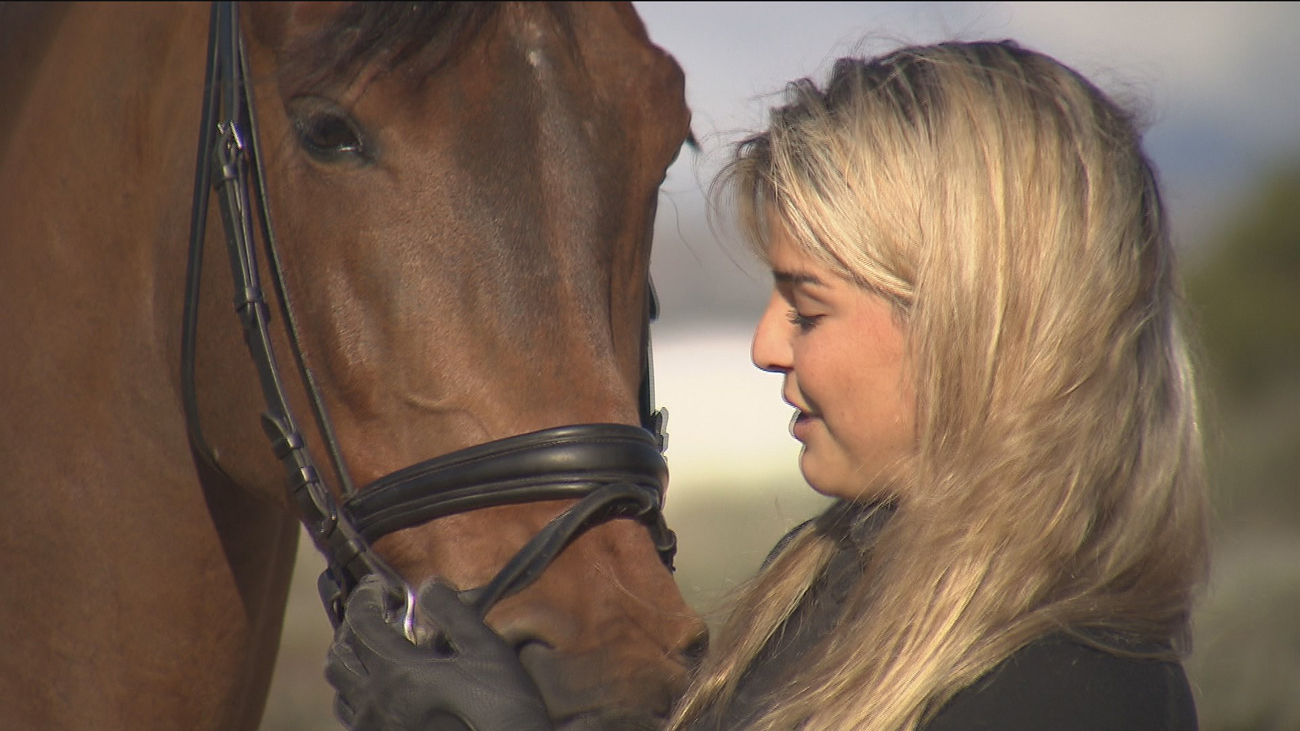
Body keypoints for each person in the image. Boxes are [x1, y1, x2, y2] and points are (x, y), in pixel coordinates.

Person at [325, 39, 1209, 730]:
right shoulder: (836, 587)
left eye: (808, 307)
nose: (763, 346)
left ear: (979, 325)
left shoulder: (1066, 694)